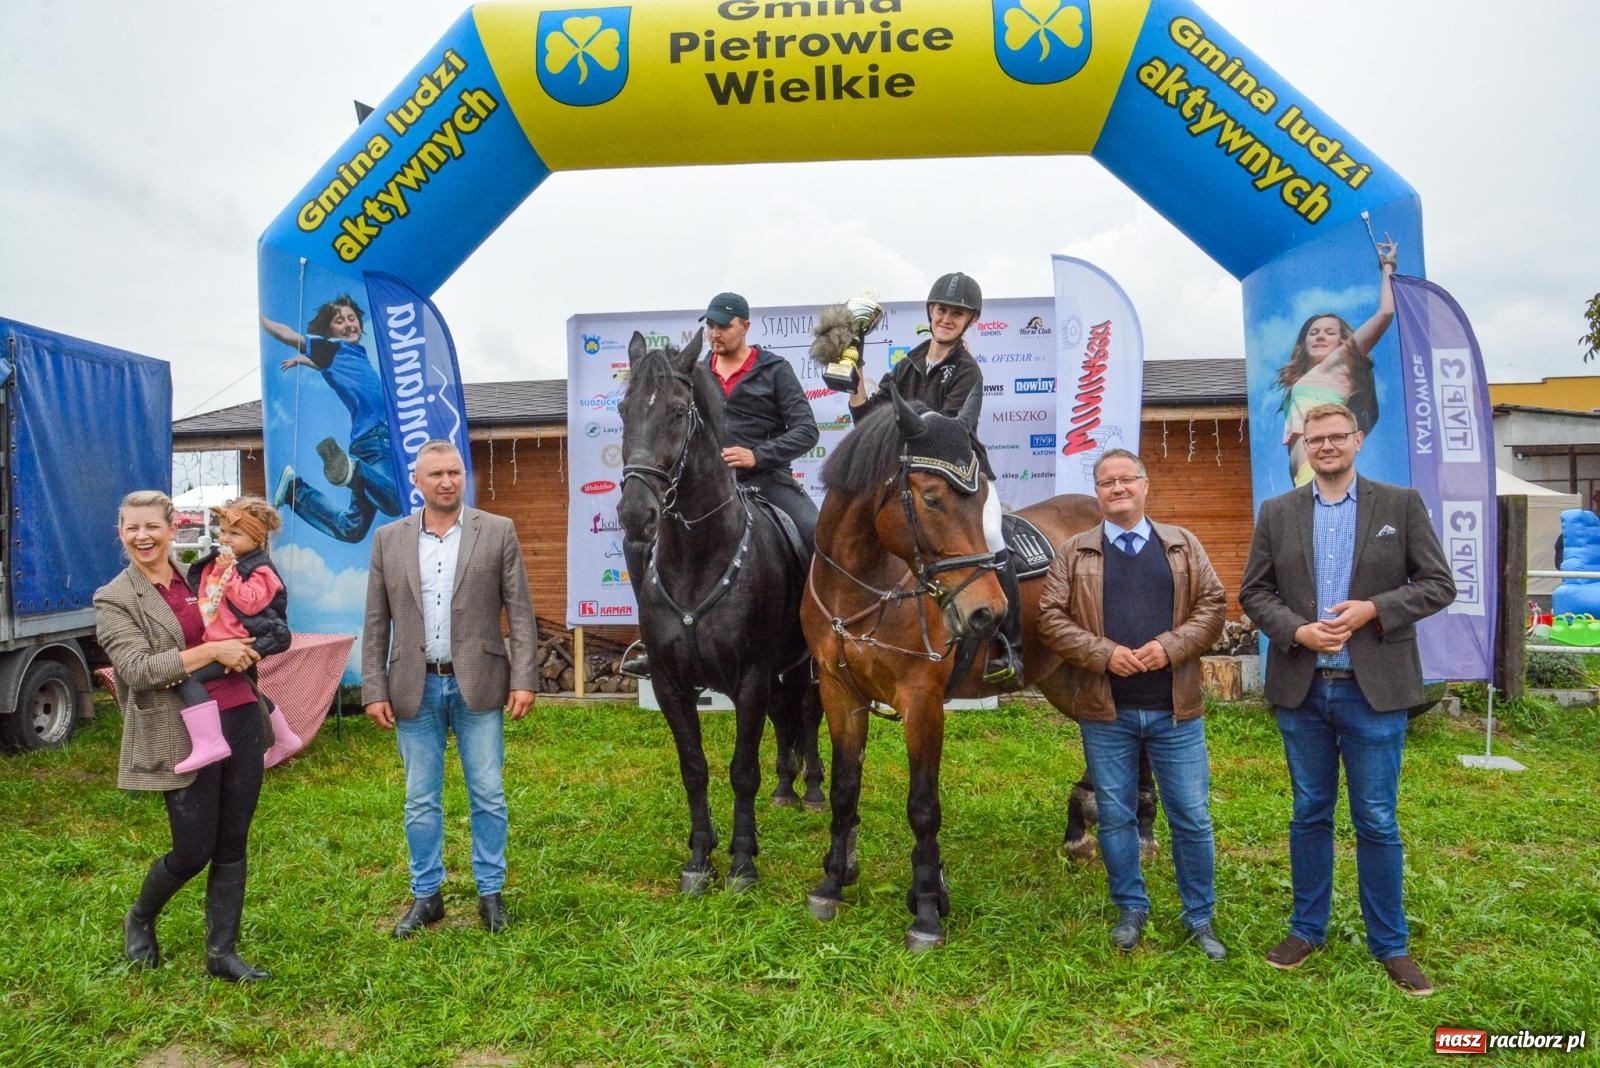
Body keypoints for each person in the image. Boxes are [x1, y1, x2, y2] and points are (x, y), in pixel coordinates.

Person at [1240, 402, 1455, 996]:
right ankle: (1307, 930)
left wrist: (1374, 610)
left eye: (1338, 436)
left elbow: (1439, 584)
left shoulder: (1399, 505)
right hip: (1303, 688)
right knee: (1310, 813)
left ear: (1358, 440)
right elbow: (1254, 593)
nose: (1328, 446)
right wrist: (1296, 631)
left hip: (1373, 690)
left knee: (1377, 819)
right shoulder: (1278, 512)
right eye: (1317, 438)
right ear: (1303, 445)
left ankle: (1391, 945)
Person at [1037, 449, 1228, 958]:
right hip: (1107, 712)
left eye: (1126, 479)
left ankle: (1199, 917)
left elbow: (1213, 605)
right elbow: (1050, 618)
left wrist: (1170, 646)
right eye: (1106, 482)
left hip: (1176, 710)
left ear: (1145, 486)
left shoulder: (1182, 545)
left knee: (1191, 816)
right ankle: (1130, 908)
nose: (1117, 488)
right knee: (1117, 817)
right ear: (1097, 493)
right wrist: (1103, 654)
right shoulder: (1074, 552)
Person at [94, 490, 273, 982]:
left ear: (173, 529)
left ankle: (222, 954)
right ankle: (141, 916)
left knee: (233, 841)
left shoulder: (204, 573)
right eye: (131, 527)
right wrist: (210, 653)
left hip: (239, 716)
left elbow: (250, 618)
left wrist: (256, 637)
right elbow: (137, 668)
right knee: (193, 850)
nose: (142, 536)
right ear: (121, 534)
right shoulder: (115, 598)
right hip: (182, 731)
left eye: (152, 526)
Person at [362, 439, 538, 936]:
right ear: (416, 481)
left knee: (488, 793)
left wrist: (524, 677)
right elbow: (376, 620)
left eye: (455, 472)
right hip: (413, 686)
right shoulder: (388, 539)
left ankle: (491, 893)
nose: (446, 482)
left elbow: (520, 611)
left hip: (479, 684)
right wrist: (373, 686)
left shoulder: (497, 531)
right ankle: (427, 895)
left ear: (465, 477)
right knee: (420, 798)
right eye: (435, 473)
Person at [620, 291, 819, 679]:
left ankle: (816, 641)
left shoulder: (775, 370)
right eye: (710, 325)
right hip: (700, 490)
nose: (715, 333)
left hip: (764, 480)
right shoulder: (693, 374)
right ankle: (656, 640)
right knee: (636, 541)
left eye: (724, 325)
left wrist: (757, 455)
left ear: (744, 326)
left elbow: (807, 430)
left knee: (814, 532)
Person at [848, 271, 1021, 686]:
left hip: (961, 477)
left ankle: (1009, 645)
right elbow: (868, 418)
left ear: (969, 321)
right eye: (942, 310)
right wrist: (852, 375)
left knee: (994, 537)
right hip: (912, 475)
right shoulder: (907, 363)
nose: (946, 318)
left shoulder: (967, 372)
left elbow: (955, 430)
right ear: (931, 311)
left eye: (956, 313)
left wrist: (907, 418)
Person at [174, 497, 303, 772]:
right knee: (248, 684)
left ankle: (208, 741)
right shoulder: (230, 562)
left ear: (256, 537)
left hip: (243, 639)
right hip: (223, 639)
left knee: (189, 676)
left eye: (235, 533)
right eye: (223, 532)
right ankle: (285, 737)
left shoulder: (260, 570)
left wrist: (226, 573)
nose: (226, 538)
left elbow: (250, 602)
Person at [262, 295, 401, 542]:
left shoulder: (352, 354)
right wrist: (262, 321)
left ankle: (296, 490)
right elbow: (288, 335)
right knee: (395, 501)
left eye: (352, 318)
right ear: (329, 330)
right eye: (339, 321)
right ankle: (352, 469)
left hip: (363, 444)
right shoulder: (333, 347)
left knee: (352, 529)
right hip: (378, 438)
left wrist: (305, 361)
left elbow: (330, 368)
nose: (348, 324)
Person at [1278, 240, 1398, 486]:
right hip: (1304, 475)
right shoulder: (1308, 377)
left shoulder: (1338, 362)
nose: (1320, 336)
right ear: (1303, 342)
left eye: (1329, 332)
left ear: (1342, 341)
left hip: (1313, 474)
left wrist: (1387, 266)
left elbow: (1385, 313)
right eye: (1313, 332)